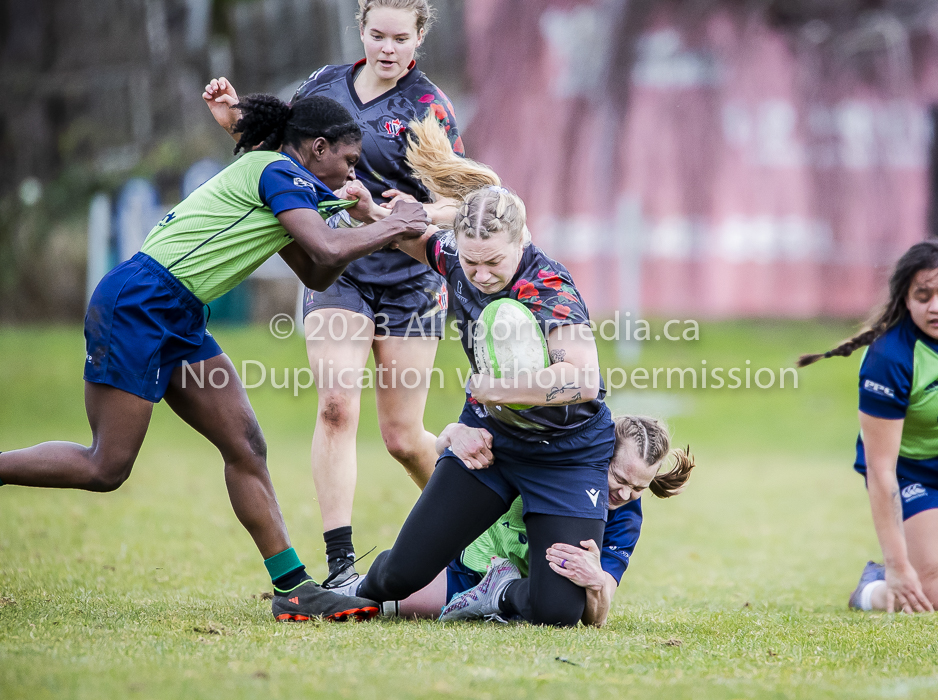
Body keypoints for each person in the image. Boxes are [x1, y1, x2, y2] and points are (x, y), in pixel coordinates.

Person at [0, 93, 430, 622]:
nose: (352, 170)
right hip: (139, 302)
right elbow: (327, 251)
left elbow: (318, 271)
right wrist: (393, 222)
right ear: (318, 149)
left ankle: (292, 588)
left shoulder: (288, 186)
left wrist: (354, 217)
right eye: (347, 159)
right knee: (106, 466)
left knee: (245, 444)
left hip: (179, 310)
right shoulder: (276, 171)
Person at [202, 0, 464, 588]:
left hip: (409, 282)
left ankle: (475, 533)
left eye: (401, 37)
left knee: (401, 437)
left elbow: (460, 202)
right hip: (338, 269)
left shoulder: (429, 109)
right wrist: (235, 123)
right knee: (336, 407)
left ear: (419, 36)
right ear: (362, 30)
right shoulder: (324, 85)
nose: (388, 48)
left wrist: (419, 211)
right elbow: (284, 148)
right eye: (378, 34)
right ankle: (342, 564)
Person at [327, 113, 625, 627]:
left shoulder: (548, 288)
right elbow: (411, 241)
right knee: (400, 574)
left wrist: (497, 391)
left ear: (521, 246)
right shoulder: (456, 257)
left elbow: (583, 381)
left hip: (567, 455)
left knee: (557, 611)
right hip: (493, 445)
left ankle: (500, 591)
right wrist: (372, 211)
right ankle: (337, 595)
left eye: (495, 264)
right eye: (472, 264)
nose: (482, 275)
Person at [798, 239, 938, 613]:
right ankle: (872, 586)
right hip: (917, 473)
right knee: (934, 597)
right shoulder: (889, 357)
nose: (936, 306)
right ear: (906, 300)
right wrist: (897, 565)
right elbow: (881, 470)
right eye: (922, 296)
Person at [374, 416, 694, 626]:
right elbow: (445, 451)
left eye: (639, 488)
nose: (625, 494)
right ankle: (346, 581)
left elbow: (595, 619)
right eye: (619, 478)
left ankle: (501, 597)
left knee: (559, 613)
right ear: (600, 453)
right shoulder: (549, 458)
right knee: (381, 603)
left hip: (531, 592)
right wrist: (454, 432)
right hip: (466, 569)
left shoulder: (626, 516)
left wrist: (596, 581)